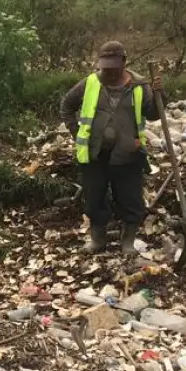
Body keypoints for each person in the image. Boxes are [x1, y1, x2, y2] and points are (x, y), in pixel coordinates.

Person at [60, 41, 163, 254]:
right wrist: (77, 133)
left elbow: (153, 114)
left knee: (130, 198)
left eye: (113, 67)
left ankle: (128, 242)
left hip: (128, 153)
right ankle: (98, 240)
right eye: (104, 66)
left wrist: (160, 93)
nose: (108, 71)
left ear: (124, 62)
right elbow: (66, 106)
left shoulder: (139, 86)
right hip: (95, 153)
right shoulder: (89, 83)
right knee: (95, 197)